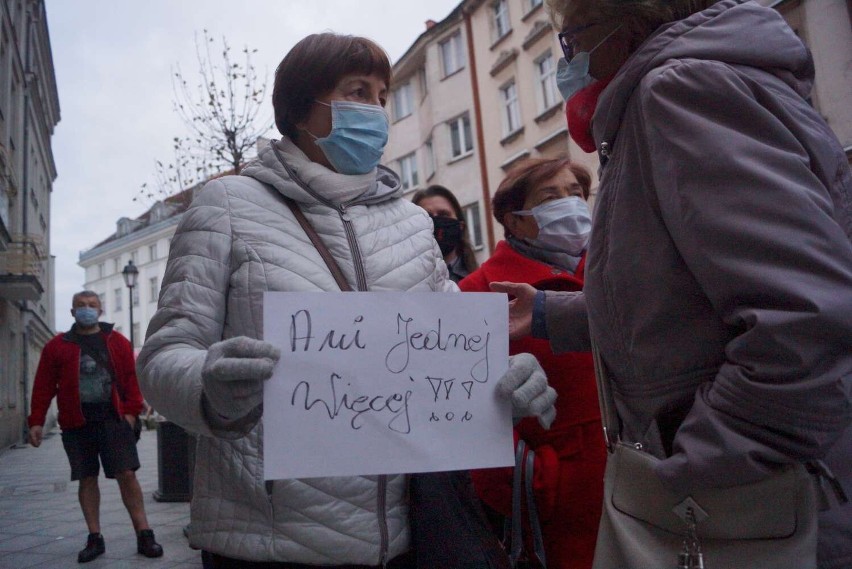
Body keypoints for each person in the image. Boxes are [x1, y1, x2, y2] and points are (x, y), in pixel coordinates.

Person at [137, 32, 556, 568]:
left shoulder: (412, 224)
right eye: (357, 92)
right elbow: (165, 355)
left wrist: (505, 382)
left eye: (382, 96)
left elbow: (451, 353)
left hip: (404, 540)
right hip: (268, 542)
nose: (376, 111)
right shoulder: (227, 205)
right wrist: (209, 387)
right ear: (300, 108)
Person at [495, 0, 852, 566]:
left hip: (746, 515)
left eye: (573, 40)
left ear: (627, 23)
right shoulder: (688, 85)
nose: (573, 63)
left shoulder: (678, 89)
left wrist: (692, 472)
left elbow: (803, 320)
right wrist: (548, 314)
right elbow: (680, 301)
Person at [460, 157, 605, 569]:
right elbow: (468, 409)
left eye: (575, 193)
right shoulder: (480, 291)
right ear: (516, 221)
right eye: (550, 197)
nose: (570, 205)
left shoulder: (612, 272)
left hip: (638, 484)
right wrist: (536, 486)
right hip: (559, 511)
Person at [27, 291, 163, 563]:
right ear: (72, 311)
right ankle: (95, 537)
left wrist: (131, 414)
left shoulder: (117, 342)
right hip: (77, 423)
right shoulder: (57, 346)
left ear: (100, 311)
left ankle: (144, 533)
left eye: (91, 306)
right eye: (80, 306)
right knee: (86, 478)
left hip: (113, 421)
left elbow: (131, 379)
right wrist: (36, 422)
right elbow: (43, 385)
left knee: (127, 474)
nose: (86, 310)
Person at [412, 185, 479, 283]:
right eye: (426, 216)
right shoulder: (399, 283)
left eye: (444, 214)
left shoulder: (481, 282)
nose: (435, 221)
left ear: (461, 225)